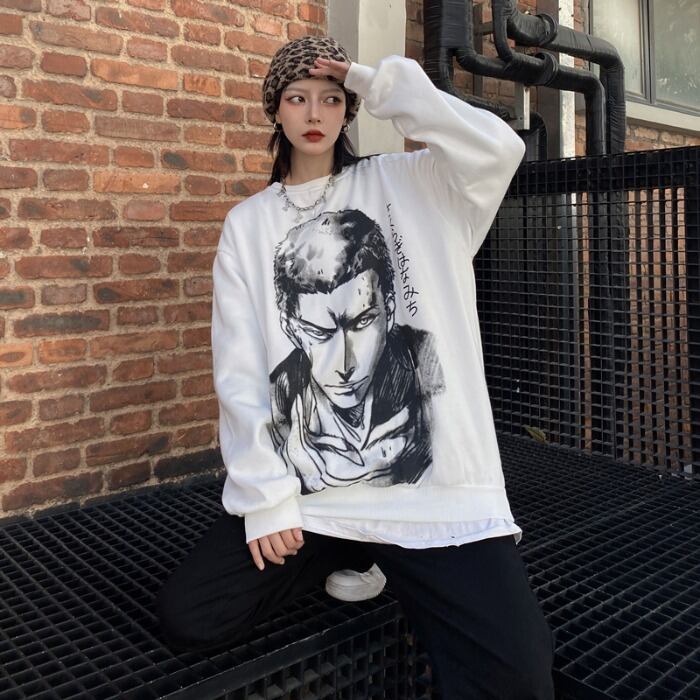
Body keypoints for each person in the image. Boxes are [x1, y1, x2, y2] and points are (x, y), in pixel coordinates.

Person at [156, 35, 555, 699]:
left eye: (332, 98)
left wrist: (379, 82)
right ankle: (349, 547)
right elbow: (240, 370)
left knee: (517, 674)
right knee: (193, 614)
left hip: (434, 501)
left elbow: (497, 148)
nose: (315, 112)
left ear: (349, 109)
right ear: (275, 111)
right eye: (297, 97)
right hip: (314, 500)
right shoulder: (248, 226)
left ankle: (381, 555)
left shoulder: (415, 184)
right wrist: (266, 498)